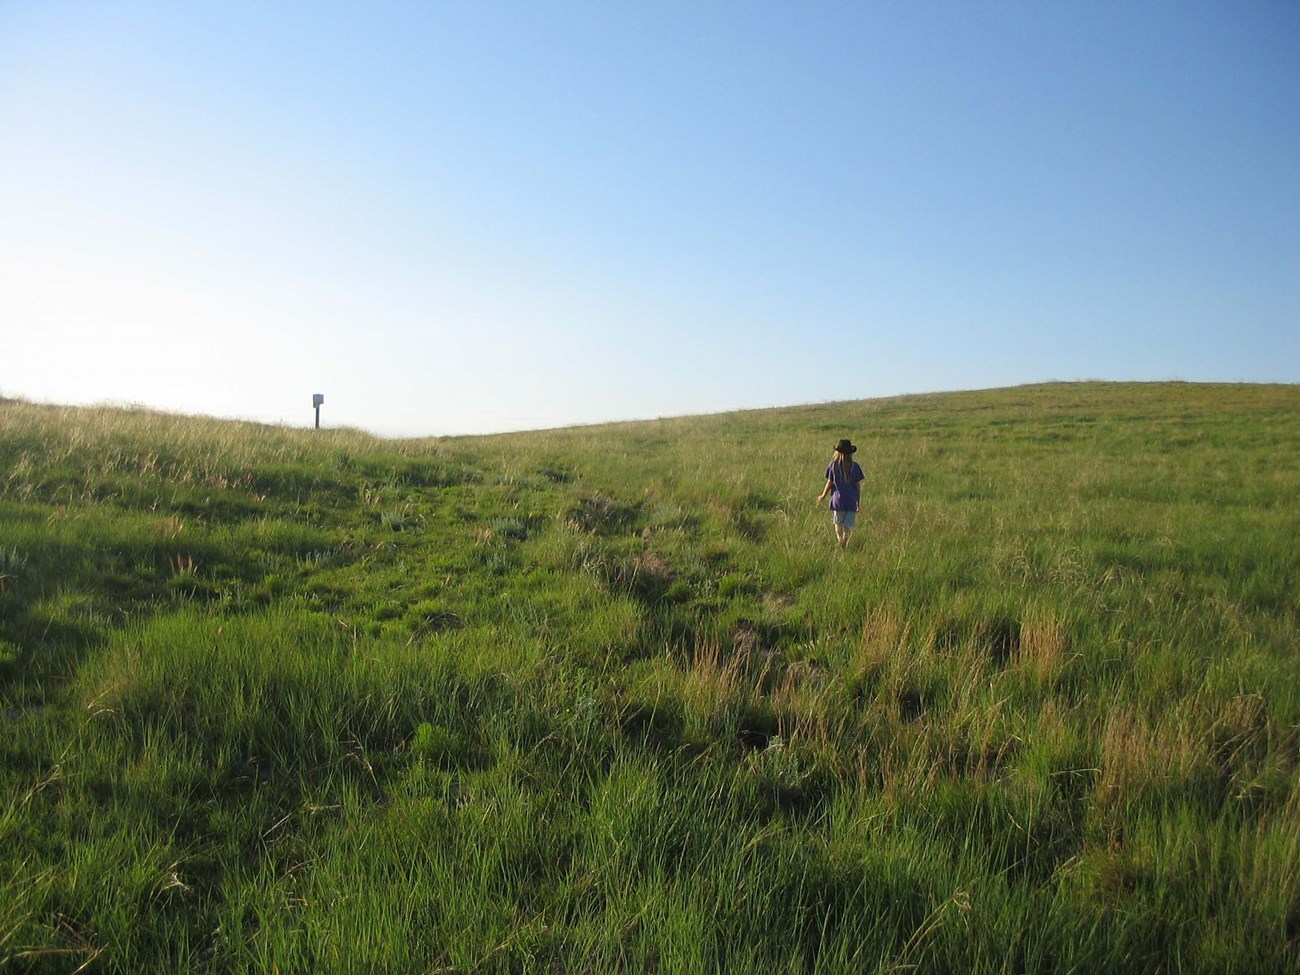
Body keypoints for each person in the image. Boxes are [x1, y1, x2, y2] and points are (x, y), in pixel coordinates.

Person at [817, 438, 865, 548]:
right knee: (848, 525)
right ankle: (845, 541)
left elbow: (829, 483)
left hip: (837, 500)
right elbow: (857, 486)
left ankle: (840, 540)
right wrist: (858, 501)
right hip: (851, 500)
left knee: (838, 523)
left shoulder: (833, 466)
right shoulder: (855, 467)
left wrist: (823, 495)